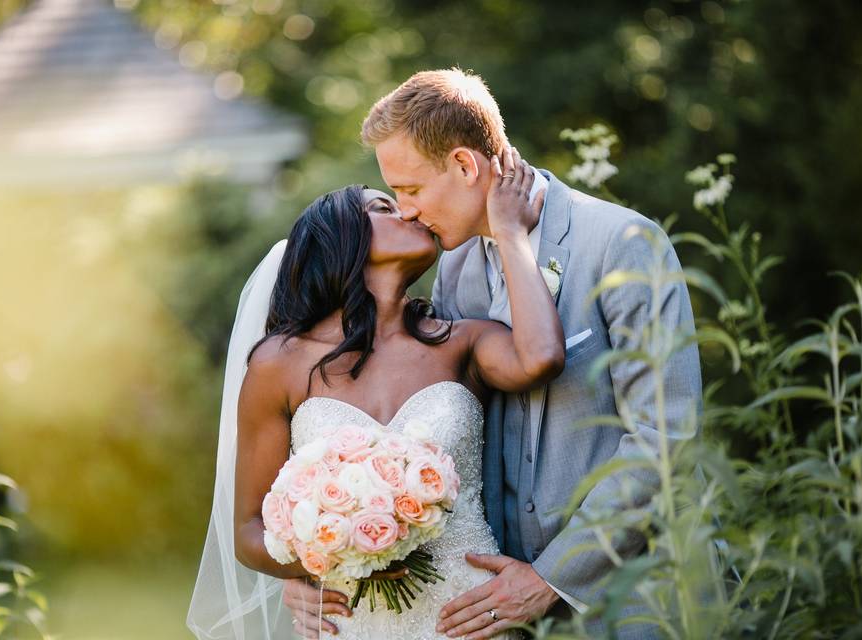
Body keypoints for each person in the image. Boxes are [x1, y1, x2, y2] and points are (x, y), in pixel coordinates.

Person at [282, 69, 703, 639]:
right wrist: (313, 560)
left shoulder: (622, 245)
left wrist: (551, 578)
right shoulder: (451, 268)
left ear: (464, 165)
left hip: (636, 601)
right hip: (491, 608)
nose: (404, 211)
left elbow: (664, 440)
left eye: (409, 190)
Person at [186, 148, 566, 639]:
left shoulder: (461, 342)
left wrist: (511, 234)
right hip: (350, 622)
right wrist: (328, 549)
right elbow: (248, 530)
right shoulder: (279, 363)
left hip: (469, 618)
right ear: (340, 238)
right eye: (384, 207)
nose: (408, 211)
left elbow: (542, 358)